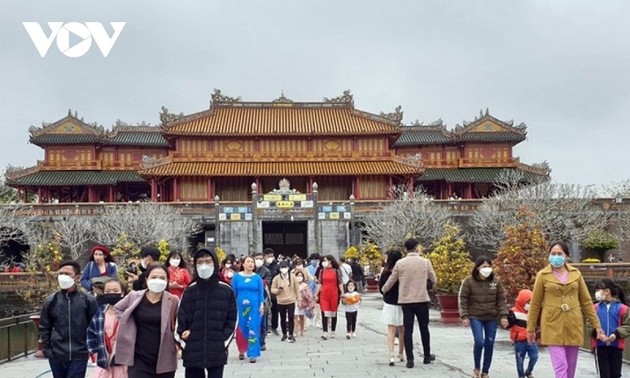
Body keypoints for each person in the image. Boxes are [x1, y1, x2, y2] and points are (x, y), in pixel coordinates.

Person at [527, 241, 606, 378]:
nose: (556, 256)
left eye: (559, 254)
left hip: (573, 323)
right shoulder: (543, 275)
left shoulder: (576, 274)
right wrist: (530, 328)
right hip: (552, 324)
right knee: (561, 366)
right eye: (553, 254)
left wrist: (597, 325)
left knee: (570, 367)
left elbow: (586, 302)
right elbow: (535, 304)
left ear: (566, 256)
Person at [177, 248, 238, 378]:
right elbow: (181, 316)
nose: (204, 265)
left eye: (208, 261)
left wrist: (223, 341)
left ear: (215, 263)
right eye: (200, 262)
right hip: (193, 348)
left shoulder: (226, 290)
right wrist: (183, 339)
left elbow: (232, 318)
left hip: (216, 347)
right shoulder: (190, 290)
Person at [115, 264, 180, 378]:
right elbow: (118, 308)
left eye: (162, 278)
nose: (157, 281)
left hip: (164, 358)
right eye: (154, 277)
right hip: (139, 358)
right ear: (146, 279)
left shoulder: (173, 300)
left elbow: (178, 323)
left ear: (167, 280)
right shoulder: (135, 296)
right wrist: (128, 322)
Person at [381, 238, 436, 368]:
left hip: (406, 301)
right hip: (422, 299)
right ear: (417, 248)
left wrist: (384, 290)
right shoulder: (425, 262)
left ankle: (410, 359)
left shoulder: (400, 263)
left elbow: (391, 280)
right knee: (424, 328)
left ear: (405, 249)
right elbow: (434, 279)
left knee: (408, 330)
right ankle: (427, 356)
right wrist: (428, 286)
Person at [39, 260, 99, 378]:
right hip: (57, 353)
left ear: (77, 277)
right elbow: (44, 326)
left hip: (79, 353)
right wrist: (47, 349)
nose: (63, 277)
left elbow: (95, 326)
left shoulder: (88, 300)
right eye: (61, 273)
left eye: (67, 274)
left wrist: (90, 348)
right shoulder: (51, 300)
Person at [459, 255, 509, 378]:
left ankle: (485, 371)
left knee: (489, 343)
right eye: (484, 266)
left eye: (489, 266)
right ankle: (477, 368)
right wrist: (465, 316)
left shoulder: (495, 282)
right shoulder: (469, 281)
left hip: (491, 317)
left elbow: (501, 300)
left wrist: (503, 316)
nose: (487, 269)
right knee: (479, 341)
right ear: (477, 268)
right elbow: (463, 299)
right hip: (475, 316)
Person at [589, 278, 630, 378]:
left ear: (607, 291)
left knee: (616, 374)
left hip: (616, 345)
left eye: (598, 290)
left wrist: (616, 334)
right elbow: (589, 324)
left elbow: (628, 325)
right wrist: (597, 333)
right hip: (600, 345)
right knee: (605, 374)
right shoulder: (594, 308)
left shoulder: (622, 308)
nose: (596, 293)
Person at [87, 278, 127, 378]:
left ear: (122, 293)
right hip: (103, 361)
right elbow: (91, 332)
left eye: (115, 291)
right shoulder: (100, 312)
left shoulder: (129, 312)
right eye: (108, 291)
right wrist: (95, 352)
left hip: (123, 362)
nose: (111, 293)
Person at [232, 256, 265, 363]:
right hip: (240, 306)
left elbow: (261, 293)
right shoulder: (236, 277)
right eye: (248, 262)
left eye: (252, 262)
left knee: (253, 327)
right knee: (241, 327)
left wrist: (261, 305)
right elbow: (233, 293)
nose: (251, 264)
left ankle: (253, 353)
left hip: (255, 306)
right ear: (243, 264)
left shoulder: (257, 278)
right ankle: (242, 349)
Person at [379, 247, 405, 366]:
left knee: (391, 329)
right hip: (403, 302)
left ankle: (391, 355)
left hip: (390, 303)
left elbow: (381, 289)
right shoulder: (403, 271)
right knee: (402, 329)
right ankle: (401, 353)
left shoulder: (385, 272)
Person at [508, 289, 538, 378]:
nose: (529, 304)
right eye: (527, 302)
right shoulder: (514, 312)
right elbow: (509, 324)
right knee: (520, 359)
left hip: (531, 339)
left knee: (534, 356)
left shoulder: (533, 313)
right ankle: (521, 376)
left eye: (531, 302)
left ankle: (528, 371)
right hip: (519, 340)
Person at [315, 254, 344, 340]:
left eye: (325, 260)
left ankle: (333, 331)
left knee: (333, 312)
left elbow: (340, 283)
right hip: (324, 293)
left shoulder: (336, 271)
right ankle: (325, 331)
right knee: (324, 312)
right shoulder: (321, 271)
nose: (324, 262)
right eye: (323, 261)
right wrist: (316, 294)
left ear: (330, 261)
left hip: (334, 293)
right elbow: (320, 283)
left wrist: (342, 293)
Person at [271, 260, 301, 342]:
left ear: (288, 268)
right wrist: (278, 291)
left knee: (291, 317)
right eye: (282, 267)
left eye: (285, 267)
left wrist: (299, 299)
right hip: (281, 301)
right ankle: (284, 334)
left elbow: (297, 289)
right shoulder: (276, 278)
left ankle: (290, 334)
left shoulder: (293, 277)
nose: (284, 269)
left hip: (291, 300)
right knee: (282, 317)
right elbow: (272, 289)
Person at [263, 248, 280, 336]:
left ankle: (274, 327)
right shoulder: (262, 266)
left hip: (273, 291)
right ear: (264, 256)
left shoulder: (276, 266)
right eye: (268, 256)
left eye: (271, 256)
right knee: (265, 309)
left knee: (275, 309)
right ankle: (265, 327)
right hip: (264, 290)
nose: (270, 258)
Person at [294, 270, 315, 336]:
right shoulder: (293, 284)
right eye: (297, 276)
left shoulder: (305, 285)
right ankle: (295, 331)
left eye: (300, 276)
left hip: (303, 303)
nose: (299, 277)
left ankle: (302, 329)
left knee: (301, 316)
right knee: (295, 316)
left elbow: (309, 295)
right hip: (295, 302)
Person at [306, 253, 321, 329]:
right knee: (309, 307)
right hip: (309, 289)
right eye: (313, 259)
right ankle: (311, 318)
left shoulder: (321, 268)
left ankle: (317, 320)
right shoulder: (307, 269)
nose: (314, 261)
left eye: (316, 259)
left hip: (318, 290)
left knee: (318, 306)